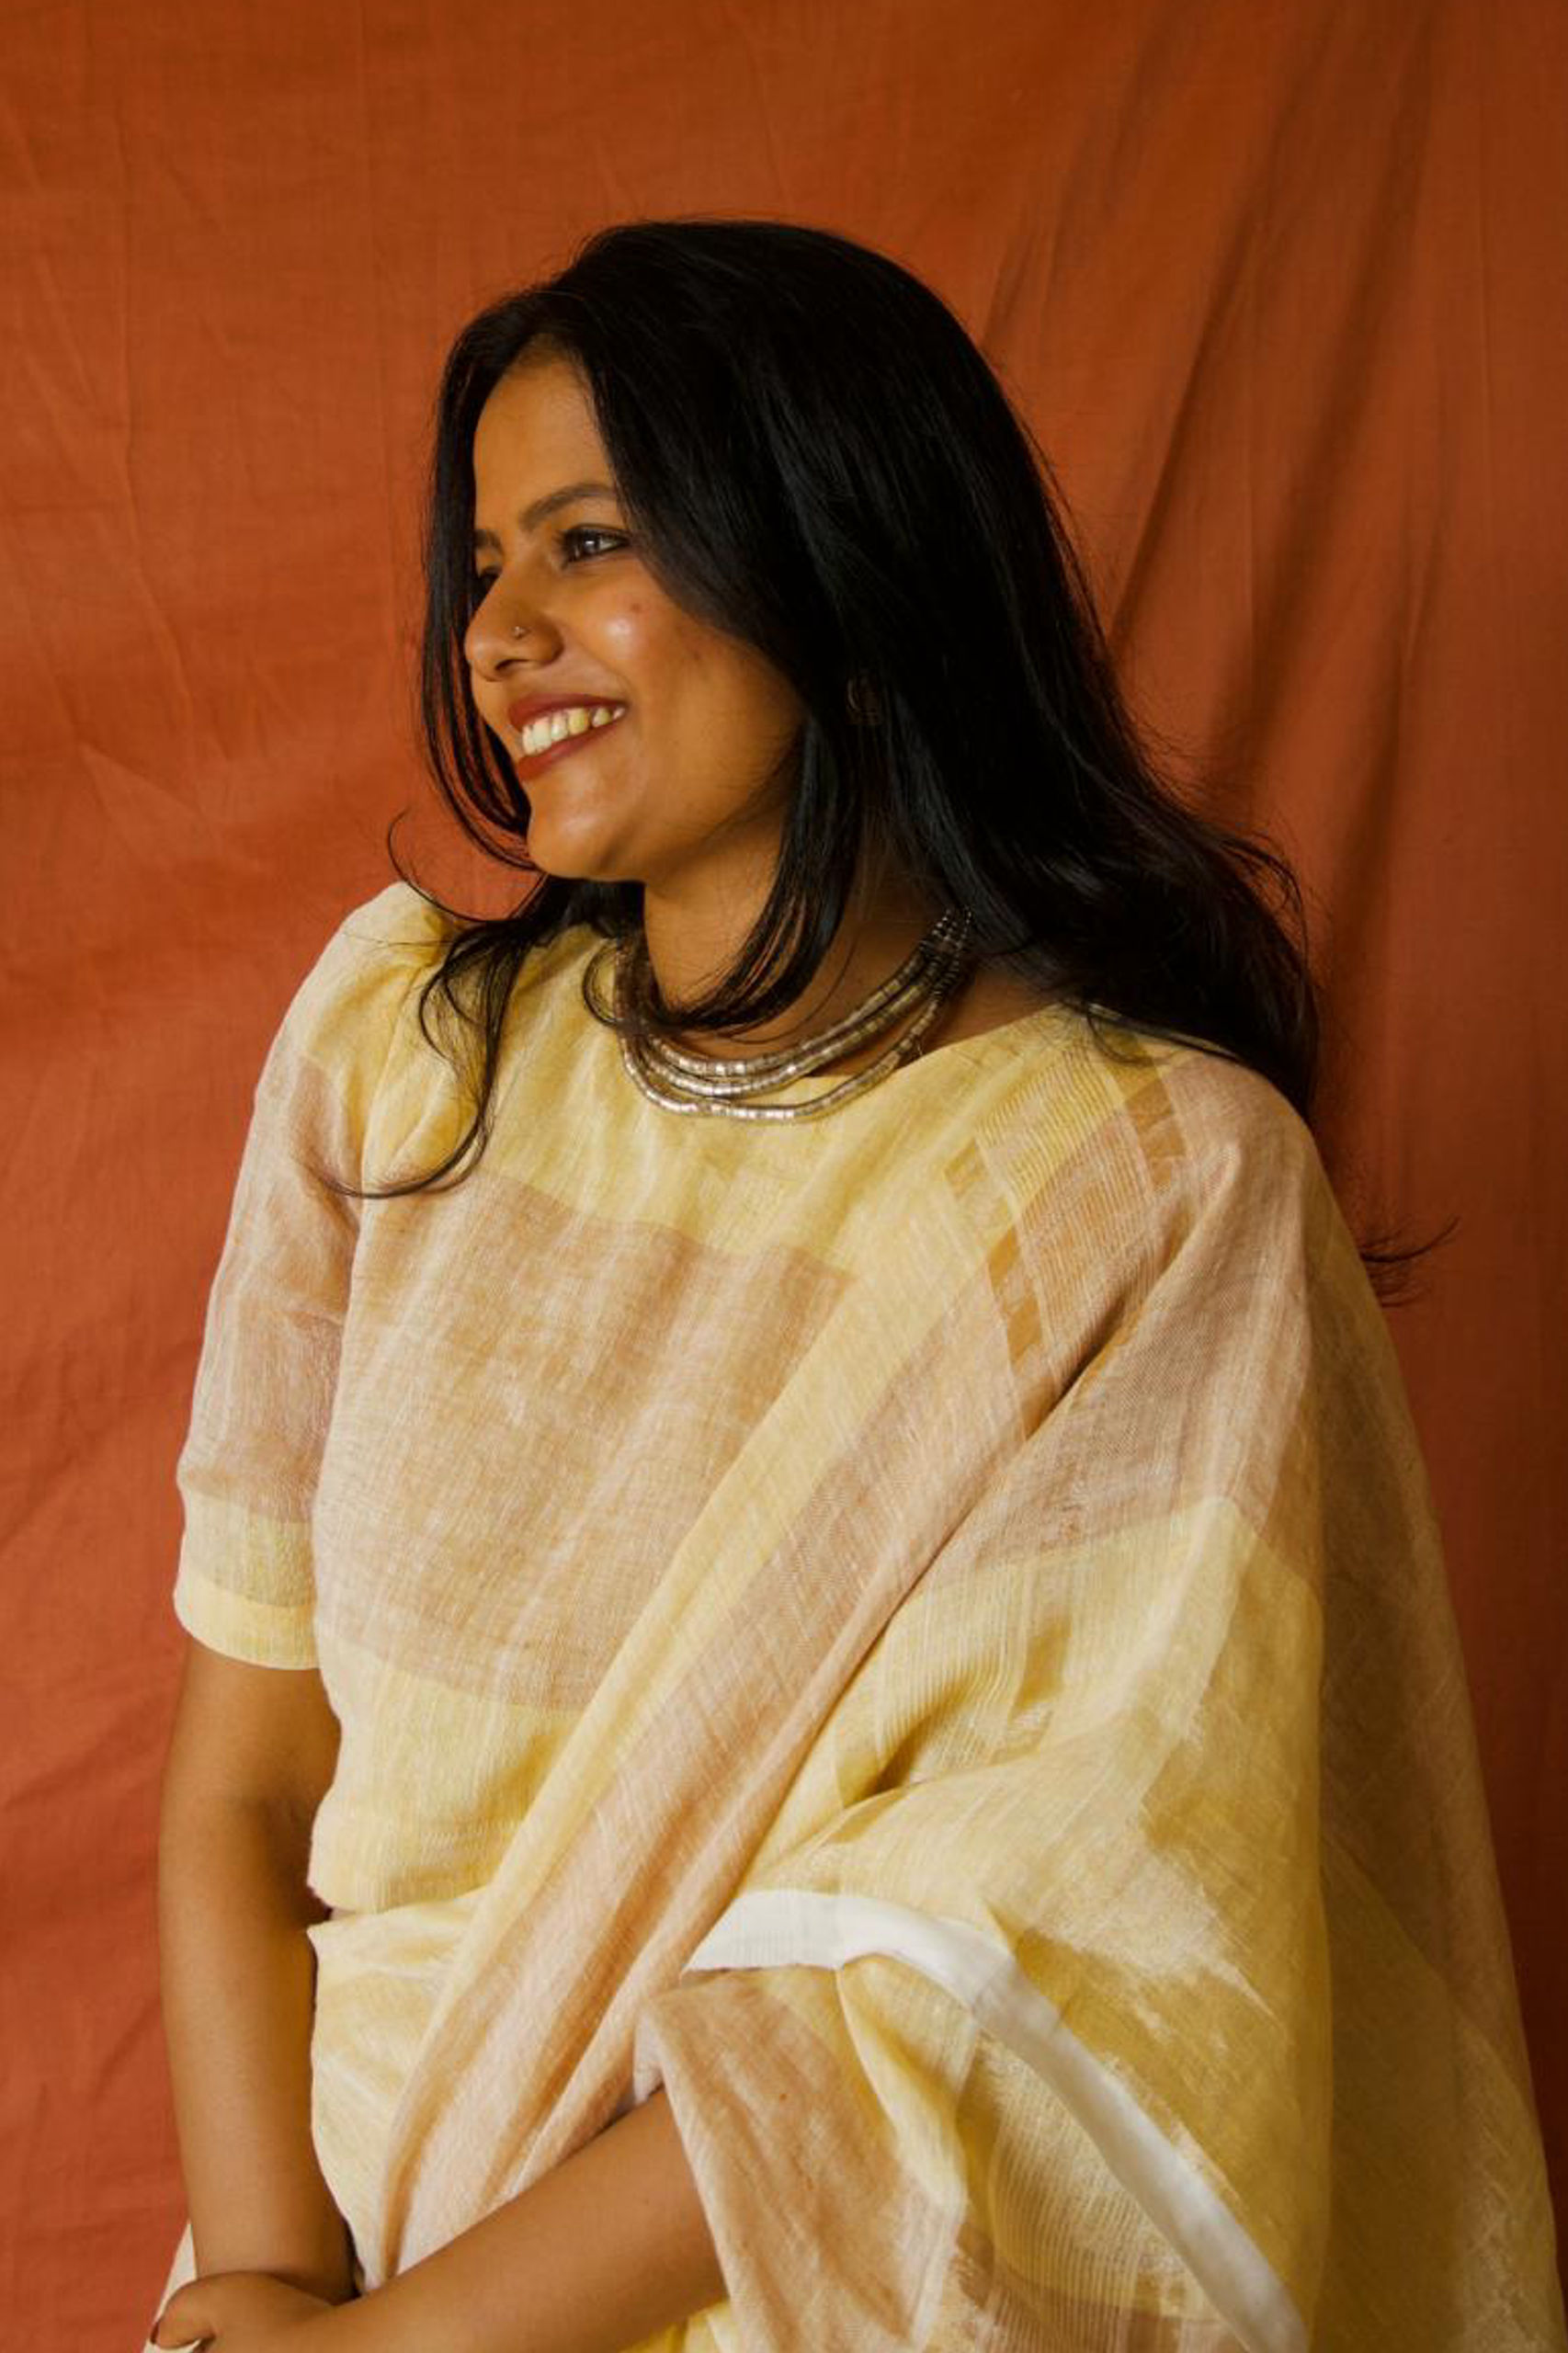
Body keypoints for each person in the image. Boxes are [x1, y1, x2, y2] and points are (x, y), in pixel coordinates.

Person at [147, 217, 1565, 2353]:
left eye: (589, 542)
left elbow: (1014, 1966)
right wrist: (261, 2283)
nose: (499, 635)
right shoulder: (402, 1058)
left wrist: (392, 2350)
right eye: (484, 563)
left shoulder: (1146, 1191)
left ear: (852, 583)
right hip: (307, 2260)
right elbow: (247, 1783)